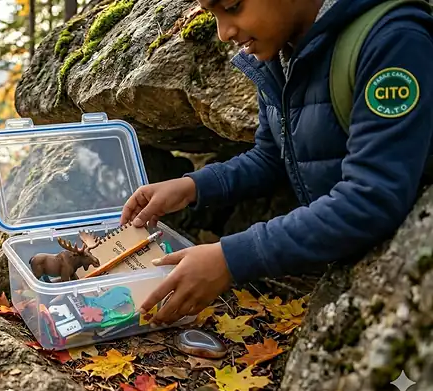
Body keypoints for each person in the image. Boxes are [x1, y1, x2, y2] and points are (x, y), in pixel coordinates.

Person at [121, 0, 433, 326]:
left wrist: (232, 259)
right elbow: (273, 157)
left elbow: (371, 198)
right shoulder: (279, 52)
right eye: (212, 15)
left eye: (232, 6)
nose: (223, 32)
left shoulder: (393, 41)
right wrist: (192, 186)